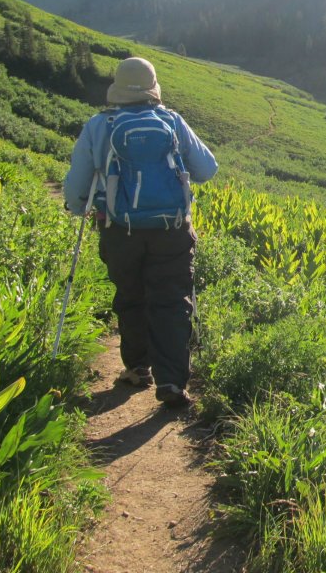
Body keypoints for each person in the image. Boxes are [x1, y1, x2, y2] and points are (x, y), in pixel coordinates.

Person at [63, 57, 217, 407]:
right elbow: (207, 169)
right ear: (153, 88)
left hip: (119, 229)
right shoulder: (171, 121)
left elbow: (77, 185)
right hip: (172, 229)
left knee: (130, 295)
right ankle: (173, 383)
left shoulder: (98, 125)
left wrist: (76, 207)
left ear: (117, 89)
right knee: (172, 300)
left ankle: (137, 368)